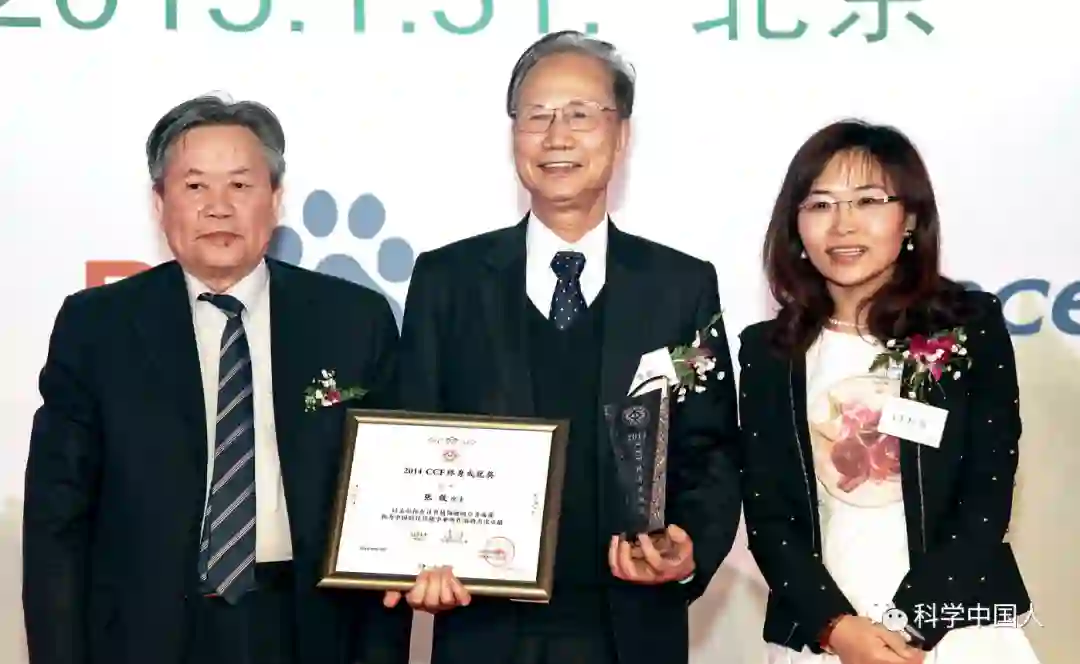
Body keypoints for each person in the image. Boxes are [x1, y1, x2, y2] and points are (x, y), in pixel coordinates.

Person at [384, 30, 742, 664]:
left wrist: (688, 547)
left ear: (621, 135)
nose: (556, 137)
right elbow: (414, 436)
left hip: (632, 628)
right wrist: (417, 557)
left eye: (580, 115)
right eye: (537, 116)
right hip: (483, 628)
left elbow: (710, 450)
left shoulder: (680, 285)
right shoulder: (447, 279)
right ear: (513, 134)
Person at [22, 95, 411, 664]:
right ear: (160, 203)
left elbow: (389, 502)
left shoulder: (353, 321)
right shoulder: (97, 326)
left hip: (308, 626)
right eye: (195, 186)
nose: (219, 208)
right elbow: (57, 520)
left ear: (275, 198)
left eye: (241, 185)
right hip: (144, 631)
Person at [738, 119, 1040, 663]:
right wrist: (837, 629)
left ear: (911, 218)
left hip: (955, 627)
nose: (843, 225)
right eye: (820, 204)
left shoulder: (968, 326)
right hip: (828, 632)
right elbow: (768, 515)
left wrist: (908, 629)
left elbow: (986, 495)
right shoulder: (769, 352)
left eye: (868, 201)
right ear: (795, 226)